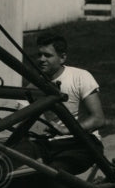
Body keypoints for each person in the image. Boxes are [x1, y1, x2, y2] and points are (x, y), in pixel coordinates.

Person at [22, 31, 105, 176]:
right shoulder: (34, 85)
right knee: (14, 169)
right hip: (49, 144)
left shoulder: (80, 77)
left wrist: (67, 130)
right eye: (39, 55)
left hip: (82, 143)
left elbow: (98, 119)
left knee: (54, 174)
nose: (41, 59)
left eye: (47, 55)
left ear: (62, 58)